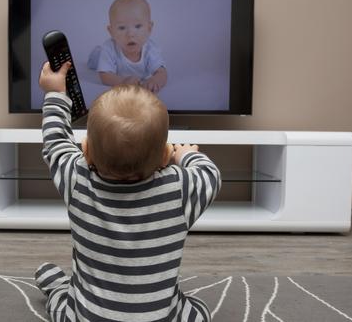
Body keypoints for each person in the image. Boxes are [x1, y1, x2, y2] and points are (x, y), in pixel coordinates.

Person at [35, 61, 221, 322]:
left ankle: (58, 288)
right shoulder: (181, 188)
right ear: (164, 155)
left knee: (62, 306)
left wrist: (55, 94)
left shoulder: (76, 179)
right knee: (199, 310)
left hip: (90, 317)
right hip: (160, 318)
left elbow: (55, 142)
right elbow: (211, 174)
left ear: (85, 151)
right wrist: (188, 156)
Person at [87, 0, 167, 93]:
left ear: (149, 28)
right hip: (100, 57)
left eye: (138, 26)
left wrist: (155, 80)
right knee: (97, 60)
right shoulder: (109, 48)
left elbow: (162, 73)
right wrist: (122, 81)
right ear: (111, 32)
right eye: (122, 28)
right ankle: (96, 53)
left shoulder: (151, 49)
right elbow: (104, 76)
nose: (130, 34)